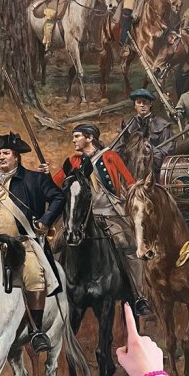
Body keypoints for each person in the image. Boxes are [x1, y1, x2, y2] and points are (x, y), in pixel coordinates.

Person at [0, 132, 64, 352]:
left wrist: (44, 221)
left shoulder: (35, 179)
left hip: (22, 244)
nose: (1, 157)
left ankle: (35, 330)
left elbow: (58, 197)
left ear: (16, 157)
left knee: (33, 273)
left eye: (6, 153)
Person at [51, 123, 152, 316]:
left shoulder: (110, 157)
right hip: (79, 218)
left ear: (89, 138)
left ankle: (139, 296)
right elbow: (53, 185)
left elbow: (130, 183)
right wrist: (43, 173)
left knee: (128, 245)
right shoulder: (73, 161)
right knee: (55, 245)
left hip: (107, 214)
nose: (74, 140)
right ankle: (55, 292)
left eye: (77, 136)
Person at [122, 89, 173, 179]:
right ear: (134, 105)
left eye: (145, 102)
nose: (142, 105)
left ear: (150, 104)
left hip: (155, 172)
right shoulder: (127, 126)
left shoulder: (163, 125)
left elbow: (167, 151)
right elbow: (120, 149)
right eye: (139, 102)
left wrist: (149, 151)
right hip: (131, 173)